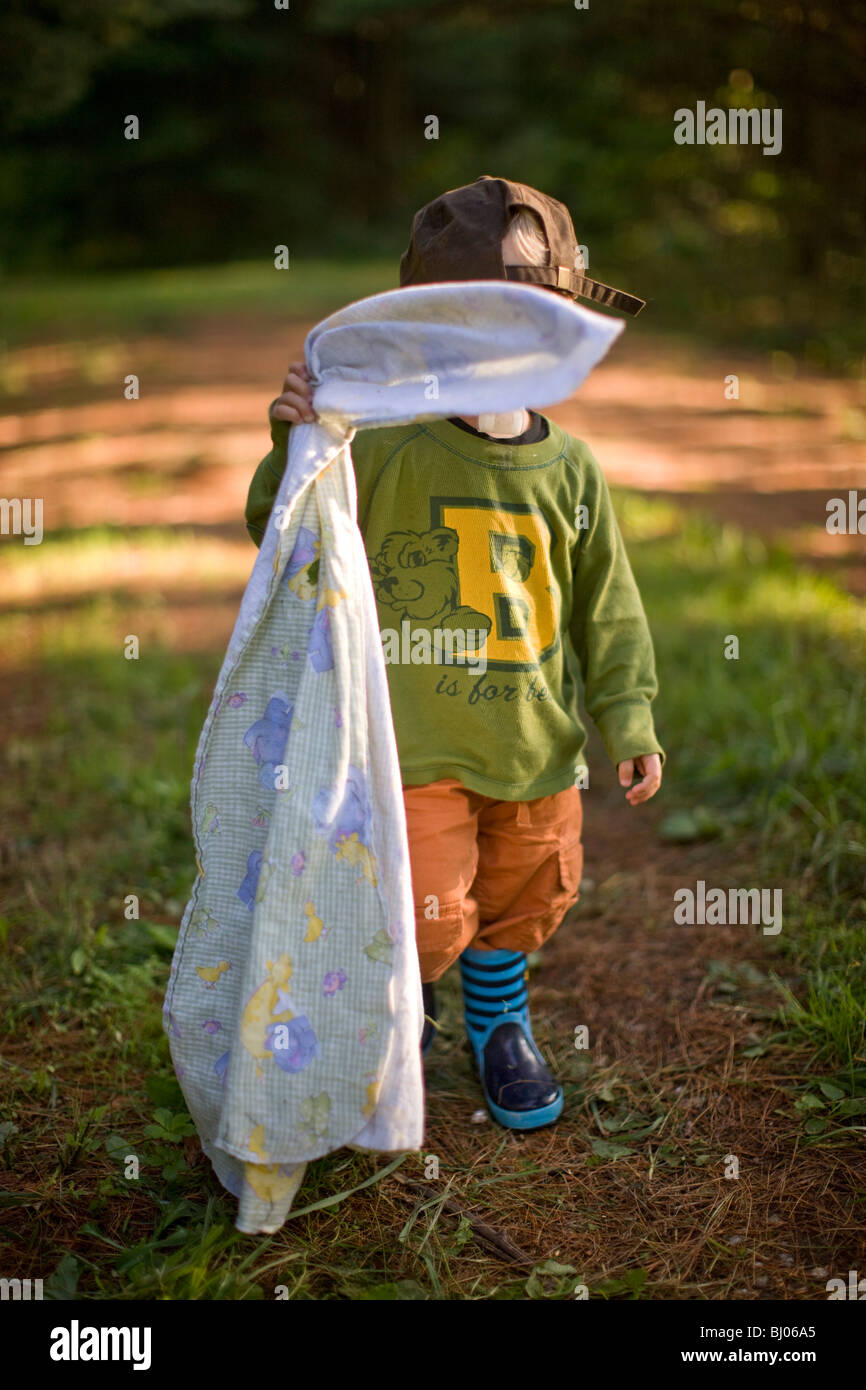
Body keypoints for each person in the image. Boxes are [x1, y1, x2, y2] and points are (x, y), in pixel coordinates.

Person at [244, 175, 664, 1131]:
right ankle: (410, 1013)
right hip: (416, 743)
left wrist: (628, 716)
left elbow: (609, 603)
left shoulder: (572, 467)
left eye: (523, 323)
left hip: (535, 742)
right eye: (470, 325)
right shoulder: (383, 445)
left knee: (524, 896)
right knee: (428, 905)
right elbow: (282, 531)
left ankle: (499, 1023)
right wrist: (296, 443)